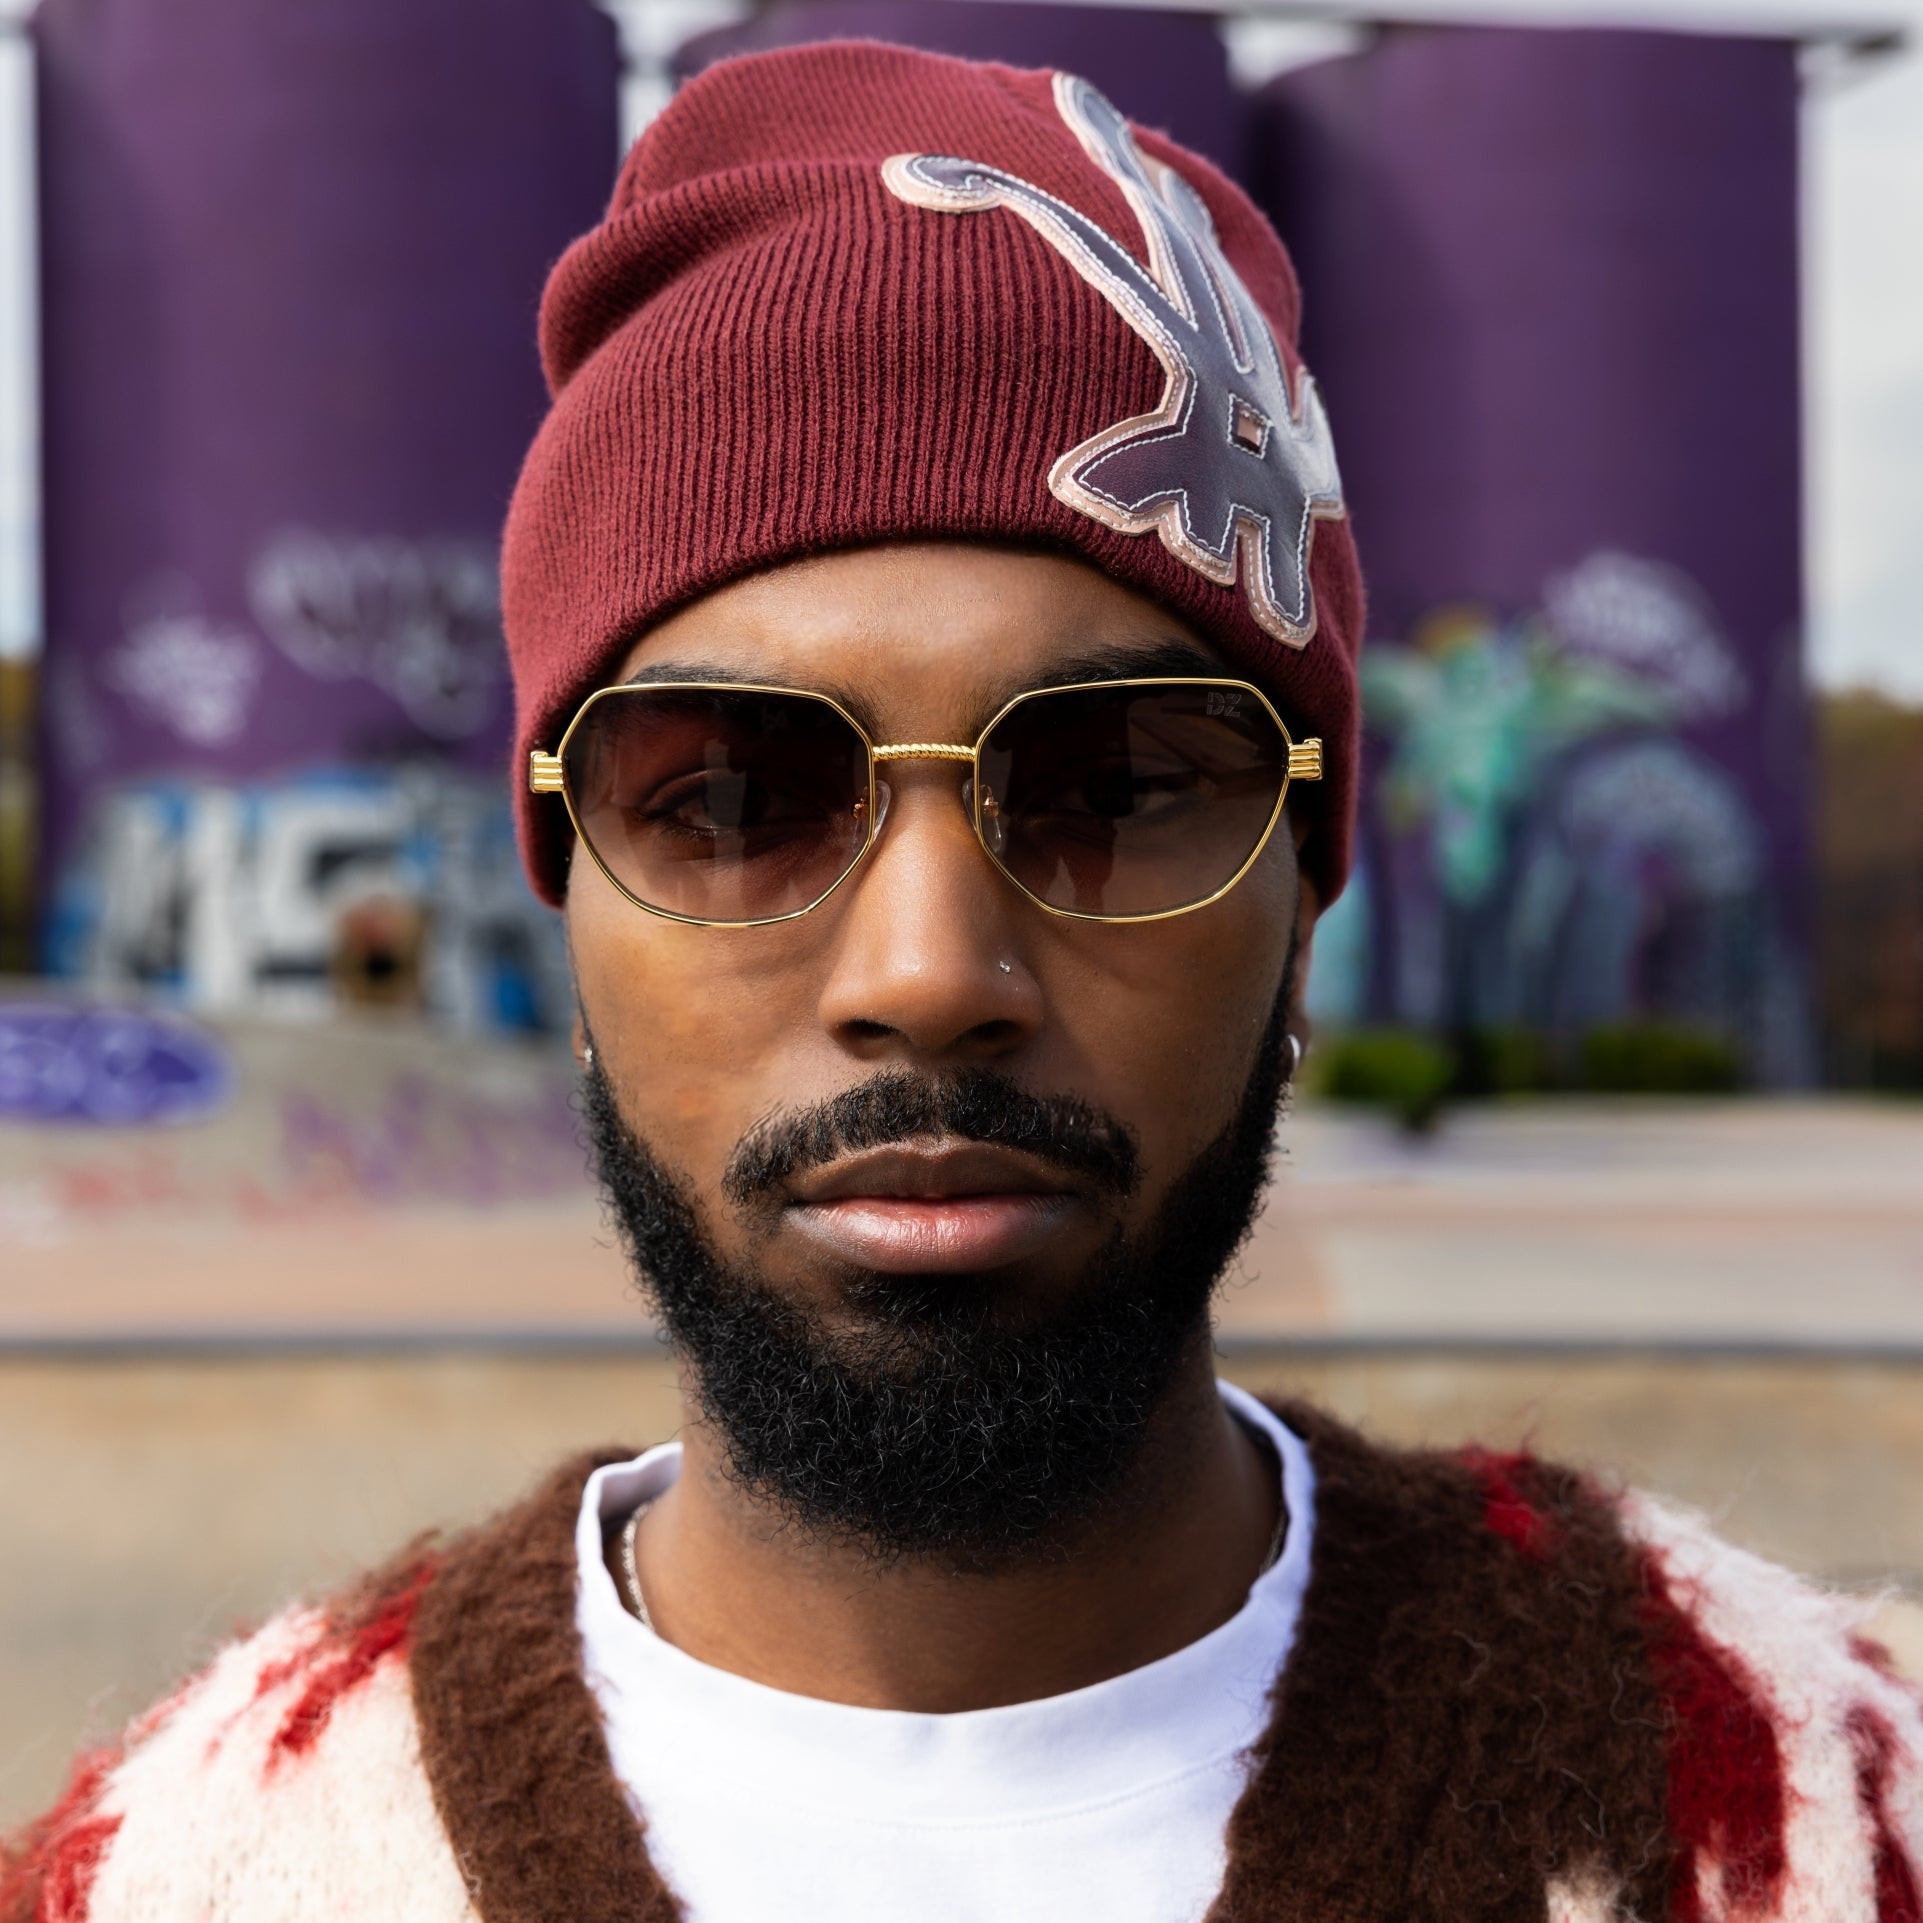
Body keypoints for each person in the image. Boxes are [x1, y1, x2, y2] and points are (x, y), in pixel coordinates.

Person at [5, 39, 1919, 1923]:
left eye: (1117, 788)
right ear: (567, 901)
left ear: (1307, 889)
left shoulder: (1835, 1817)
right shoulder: (185, 1880)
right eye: (736, 795)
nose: (930, 977)